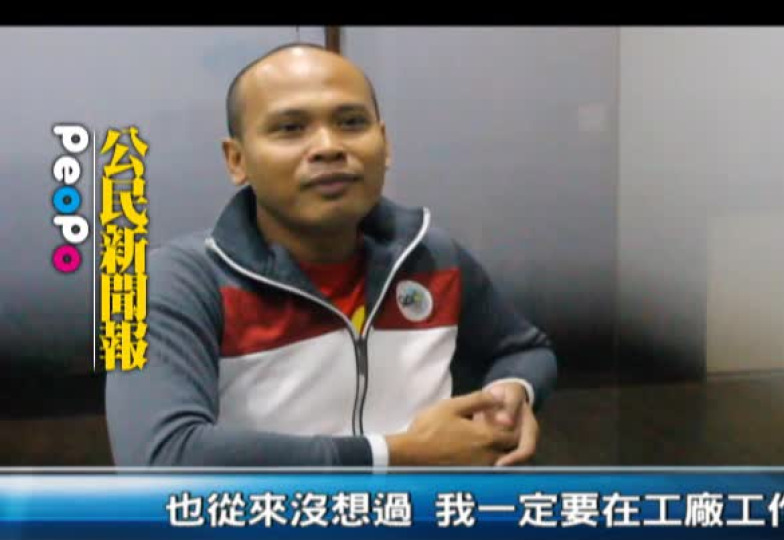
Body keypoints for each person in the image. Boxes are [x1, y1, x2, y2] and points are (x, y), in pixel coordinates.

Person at [104, 42, 558, 467]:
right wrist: (396, 456)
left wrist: (510, 395)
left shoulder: (433, 255)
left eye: (352, 123)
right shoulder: (153, 282)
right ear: (236, 160)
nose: (329, 147)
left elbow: (525, 349)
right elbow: (156, 458)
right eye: (290, 128)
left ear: (385, 143)